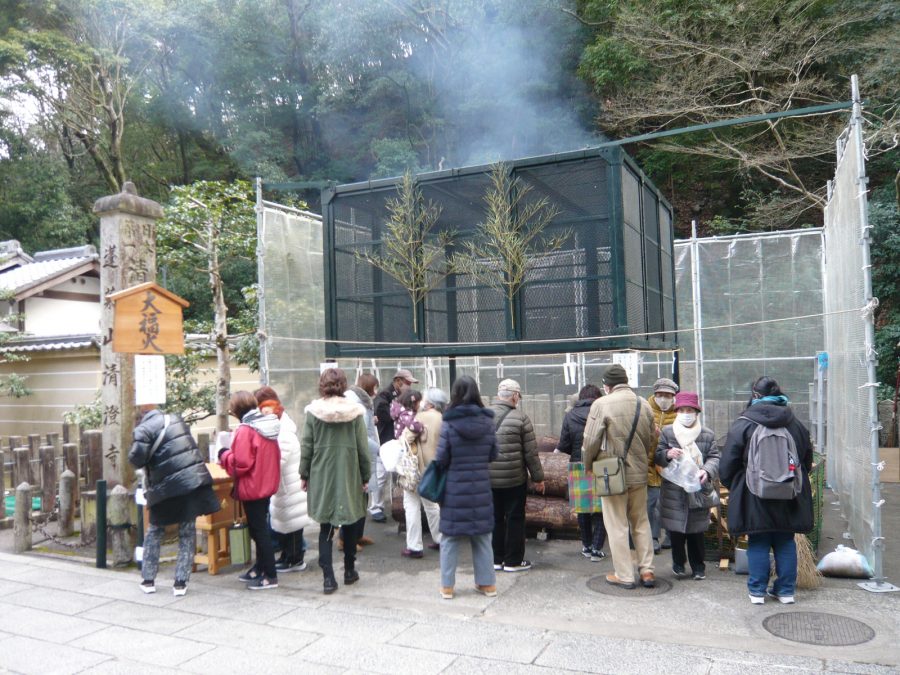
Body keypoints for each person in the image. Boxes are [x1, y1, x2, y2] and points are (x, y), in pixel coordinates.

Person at [720, 377, 814, 605]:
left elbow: (728, 464)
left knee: (758, 541)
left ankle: (757, 592)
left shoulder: (744, 423)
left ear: (755, 395)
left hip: (754, 493)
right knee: (785, 541)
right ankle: (785, 591)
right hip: (789, 494)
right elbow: (806, 460)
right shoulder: (795, 424)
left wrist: (738, 485)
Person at [129, 404, 220, 596]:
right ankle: (180, 583)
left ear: (140, 417)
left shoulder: (143, 429)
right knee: (187, 532)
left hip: (165, 487)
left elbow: (136, 459)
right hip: (191, 482)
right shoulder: (176, 419)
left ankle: (148, 580)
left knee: (155, 530)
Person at [582, 364, 658, 590]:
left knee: (617, 525)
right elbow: (652, 438)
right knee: (641, 522)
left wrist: (588, 465)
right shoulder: (643, 404)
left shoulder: (601, 404)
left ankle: (624, 575)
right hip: (639, 473)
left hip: (611, 474)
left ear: (607, 386)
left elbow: (590, 441)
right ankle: (647, 571)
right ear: (626, 381)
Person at [300, 368, 371, 594]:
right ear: (344, 385)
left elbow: (307, 446)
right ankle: (349, 571)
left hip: (322, 474)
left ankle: (328, 578)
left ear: (322, 385)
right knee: (349, 523)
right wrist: (365, 476)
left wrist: (304, 474)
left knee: (326, 527)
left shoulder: (313, 412)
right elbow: (363, 448)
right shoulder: (355, 412)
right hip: (349, 473)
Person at [435, 376, 499, 599]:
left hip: (454, 489)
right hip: (481, 488)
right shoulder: (488, 422)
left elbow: (441, 458)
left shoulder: (449, 423)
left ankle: (447, 587)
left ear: (455, 394)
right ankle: (487, 584)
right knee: (482, 537)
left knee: (450, 538)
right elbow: (493, 454)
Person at [219, 391, 282, 590]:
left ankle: (270, 575)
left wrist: (224, 454)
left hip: (253, 486)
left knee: (259, 530)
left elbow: (241, 463)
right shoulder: (266, 424)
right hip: (266, 484)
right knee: (260, 528)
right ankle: (260, 567)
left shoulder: (246, 429)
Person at [655, 391, 719, 580]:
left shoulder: (707, 434)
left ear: (696, 412)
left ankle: (699, 567)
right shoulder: (668, 432)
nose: (685, 413)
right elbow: (657, 456)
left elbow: (715, 457)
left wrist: (706, 471)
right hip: (674, 491)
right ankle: (678, 564)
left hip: (698, 489)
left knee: (696, 532)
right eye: (682, 410)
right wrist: (667, 454)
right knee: (675, 531)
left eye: (689, 409)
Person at [489, 379, 545, 572]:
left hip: (489, 480)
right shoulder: (521, 418)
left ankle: (495, 559)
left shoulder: (483, 416)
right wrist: (538, 478)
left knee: (494, 518)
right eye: (518, 396)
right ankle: (513, 561)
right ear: (514, 396)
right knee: (515, 518)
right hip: (514, 480)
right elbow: (530, 453)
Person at [255, 386, 312, 573]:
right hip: (285, 484)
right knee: (287, 523)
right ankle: (288, 557)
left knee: (293, 525)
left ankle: (295, 559)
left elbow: (279, 458)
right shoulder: (279, 424)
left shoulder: (283, 430)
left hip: (290, 485)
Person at [557, 384, 607, 561]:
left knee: (583, 508)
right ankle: (597, 549)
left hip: (578, 465)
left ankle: (586, 546)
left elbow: (563, 445)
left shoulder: (570, 415)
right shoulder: (603, 413)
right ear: (598, 397)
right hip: (601, 465)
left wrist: (576, 452)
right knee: (602, 508)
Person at [400, 387, 446, 558]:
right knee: (432, 505)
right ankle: (440, 538)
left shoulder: (420, 417)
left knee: (411, 505)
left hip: (416, 469)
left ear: (430, 402)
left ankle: (414, 546)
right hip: (433, 470)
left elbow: (405, 438)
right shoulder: (442, 418)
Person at [371, 368, 418, 522]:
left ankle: (394, 504)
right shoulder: (384, 396)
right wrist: (397, 414)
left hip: (398, 442)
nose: (409, 386)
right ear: (398, 381)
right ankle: (375, 507)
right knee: (381, 475)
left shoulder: (401, 397)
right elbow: (381, 412)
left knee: (396, 475)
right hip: (385, 441)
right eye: (407, 383)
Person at [344, 373, 380, 548]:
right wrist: (381, 450)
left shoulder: (361, 402)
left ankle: (357, 536)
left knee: (362, 499)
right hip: (359, 459)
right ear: (369, 388)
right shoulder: (360, 406)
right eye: (375, 387)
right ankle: (346, 540)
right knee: (356, 500)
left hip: (362, 457)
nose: (376, 391)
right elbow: (363, 438)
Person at [647, 377, 679, 553]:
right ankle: (652, 537)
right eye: (660, 395)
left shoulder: (679, 412)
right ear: (655, 395)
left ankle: (670, 534)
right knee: (652, 503)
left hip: (671, 465)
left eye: (668, 395)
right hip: (649, 464)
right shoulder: (645, 408)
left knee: (670, 501)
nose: (664, 398)